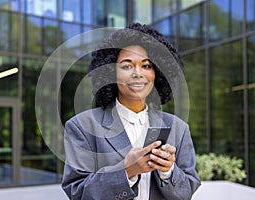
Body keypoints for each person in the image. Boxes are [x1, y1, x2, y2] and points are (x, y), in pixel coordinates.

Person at [61, 22, 201, 200]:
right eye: (127, 66)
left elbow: (187, 191)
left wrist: (168, 171)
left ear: (157, 73)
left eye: (146, 66)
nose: (137, 73)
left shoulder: (178, 128)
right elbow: (77, 192)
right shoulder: (82, 126)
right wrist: (127, 170)